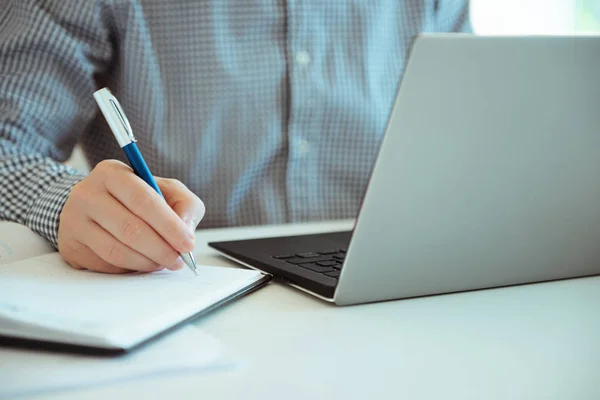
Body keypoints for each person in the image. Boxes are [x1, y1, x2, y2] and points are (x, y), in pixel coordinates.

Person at [0, 0, 472, 274]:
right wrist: (68, 205)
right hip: (187, 296)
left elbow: (473, 135)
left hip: (401, 287)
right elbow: (6, 147)